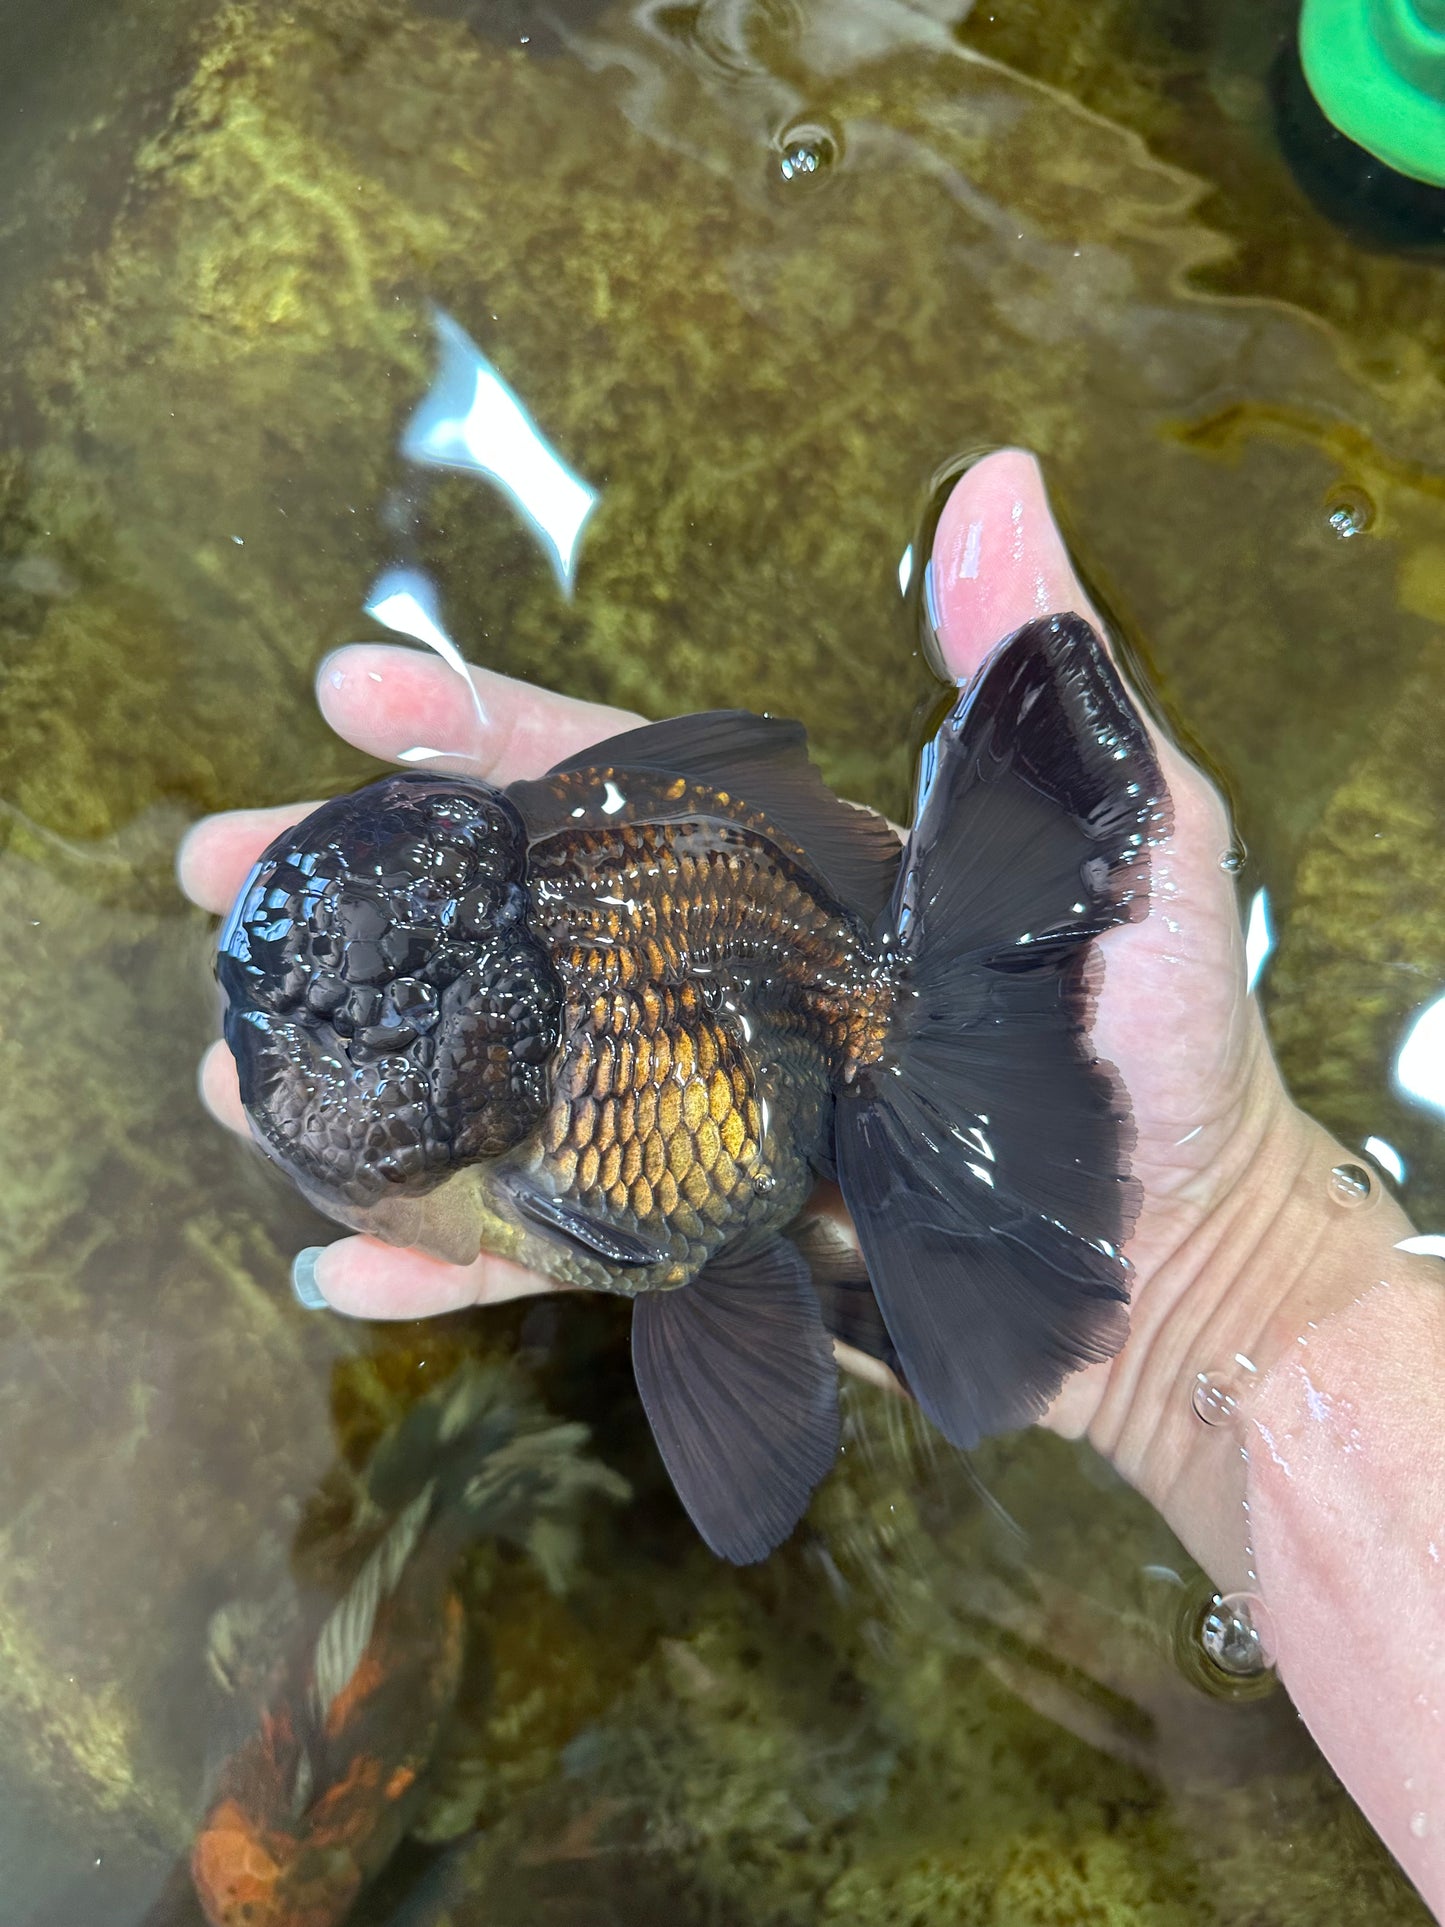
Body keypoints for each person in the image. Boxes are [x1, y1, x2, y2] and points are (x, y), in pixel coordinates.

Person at [178, 448, 1445, 1917]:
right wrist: (1251, 1282)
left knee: (683, 1258)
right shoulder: (539, 976)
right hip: (759, 958)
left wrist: (1226, 1263)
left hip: (780, 1029)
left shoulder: (572, 1150)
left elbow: (664, 1246)